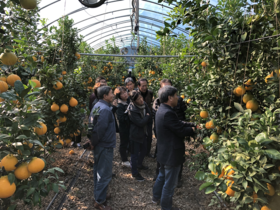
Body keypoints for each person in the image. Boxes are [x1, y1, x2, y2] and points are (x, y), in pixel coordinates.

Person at [152, 86, 196, 210]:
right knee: (170, 183)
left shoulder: (162, 109)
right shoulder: (168, 112)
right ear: (170, 98)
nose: (178, 98)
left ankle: (156, 197)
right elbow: (180, 130)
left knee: (162, 175)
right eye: (176, 95)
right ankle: (166, 206)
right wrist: (193, 130)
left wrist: (192, 124)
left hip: (164, 151)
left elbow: (178, 123)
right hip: (171, 153)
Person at [153, 79, 189, 187]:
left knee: (169, 162)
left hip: (175, 132)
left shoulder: (177, 102)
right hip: (168, 135)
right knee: (168, 162)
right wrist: (191, 130)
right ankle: (166, 201)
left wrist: (187, 124)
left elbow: (184, 114)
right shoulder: (161, 105)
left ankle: (175, 178)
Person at [88, 86, 116, 210]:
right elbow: (100, 129)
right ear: (105, 96)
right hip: (104, 145)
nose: (113, 95)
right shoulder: (105, 109)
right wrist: (94, 142)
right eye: (111, 93)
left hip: (100, 145)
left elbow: (91, 125)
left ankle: (100, 195)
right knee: (104, 174)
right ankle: (99, 201)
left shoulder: (97, 105)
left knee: (98, 171)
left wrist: (92, 141)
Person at [127, 90, 151, 181]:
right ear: (133, 101)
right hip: (135, 134)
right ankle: (134, 172)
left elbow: (150, 114)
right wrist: (147, 117)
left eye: (141, 97)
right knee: (134, 154)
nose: (141, 100)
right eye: (138, 99)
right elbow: (140, 122)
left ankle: (139, 165)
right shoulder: (132, 110)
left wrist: (147, 117)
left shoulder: (144, 104)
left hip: (143, 133)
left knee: (144, 150)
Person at [137, 78, 153, 157]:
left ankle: (147, 152)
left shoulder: (150, 93)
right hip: (140, 117)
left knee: (149, 135)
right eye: (142, 86)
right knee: (141, 135)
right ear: (138, 86)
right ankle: (140, 151)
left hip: (149, 116)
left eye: (145, 86)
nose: (144, 88)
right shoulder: (136, 94)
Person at [115, 86, 130, 167]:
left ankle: (128, 155)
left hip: (130, 126)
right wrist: (128, 114)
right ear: (119, 96)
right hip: (124, 128)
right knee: (124, 143)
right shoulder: (119, 105)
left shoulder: (128, 100)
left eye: (125, 92)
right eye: (122, 93)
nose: (125, 94)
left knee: (129, 141)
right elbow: (121, 118)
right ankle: (124, 159)